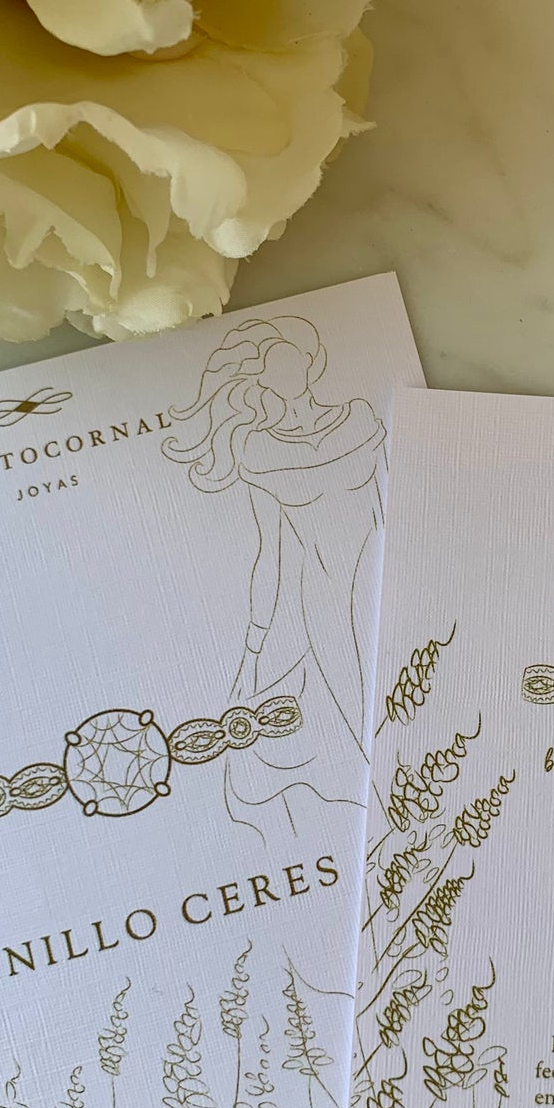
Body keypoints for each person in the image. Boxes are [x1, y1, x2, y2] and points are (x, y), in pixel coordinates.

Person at [162, 316, 385, 834]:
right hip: (323, 597)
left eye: (287, 359)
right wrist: (255, 642)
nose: (280, 373)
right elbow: (272, 554)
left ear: (311, 359)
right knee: (360, 705)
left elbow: (395, 496)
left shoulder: (358, 418)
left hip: (382, 571)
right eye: (266, 368)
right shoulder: (259, 450)